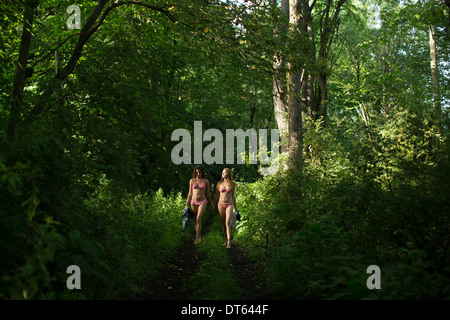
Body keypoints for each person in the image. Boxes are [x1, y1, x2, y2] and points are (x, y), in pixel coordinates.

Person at [185, 166, 213, 244]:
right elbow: (190, 193)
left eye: (200, 172)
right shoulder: (191, 181)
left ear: (202, 172)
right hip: (193, 202)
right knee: (195, 220)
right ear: (195, 172)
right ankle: (198, 237)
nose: (198, 174)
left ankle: (198, 239)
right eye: (197, 172)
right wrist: (186, 204)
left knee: (198, 218)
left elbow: (208, 193)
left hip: (202, 201)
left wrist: (211, 204)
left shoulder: (206, 181)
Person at [213, 168, 238, 248]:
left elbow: (233, 196)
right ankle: (225, 240)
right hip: (220, 204)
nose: (223, 174)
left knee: (227, 223)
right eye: (223, 172)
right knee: (223, 223)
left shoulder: (232, 184)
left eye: (225, 172)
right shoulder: (219, 183)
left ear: (229, 174)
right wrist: (213, 204)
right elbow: (217, 195)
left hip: (229, 204)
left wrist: (235, 207)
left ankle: (229, 242)